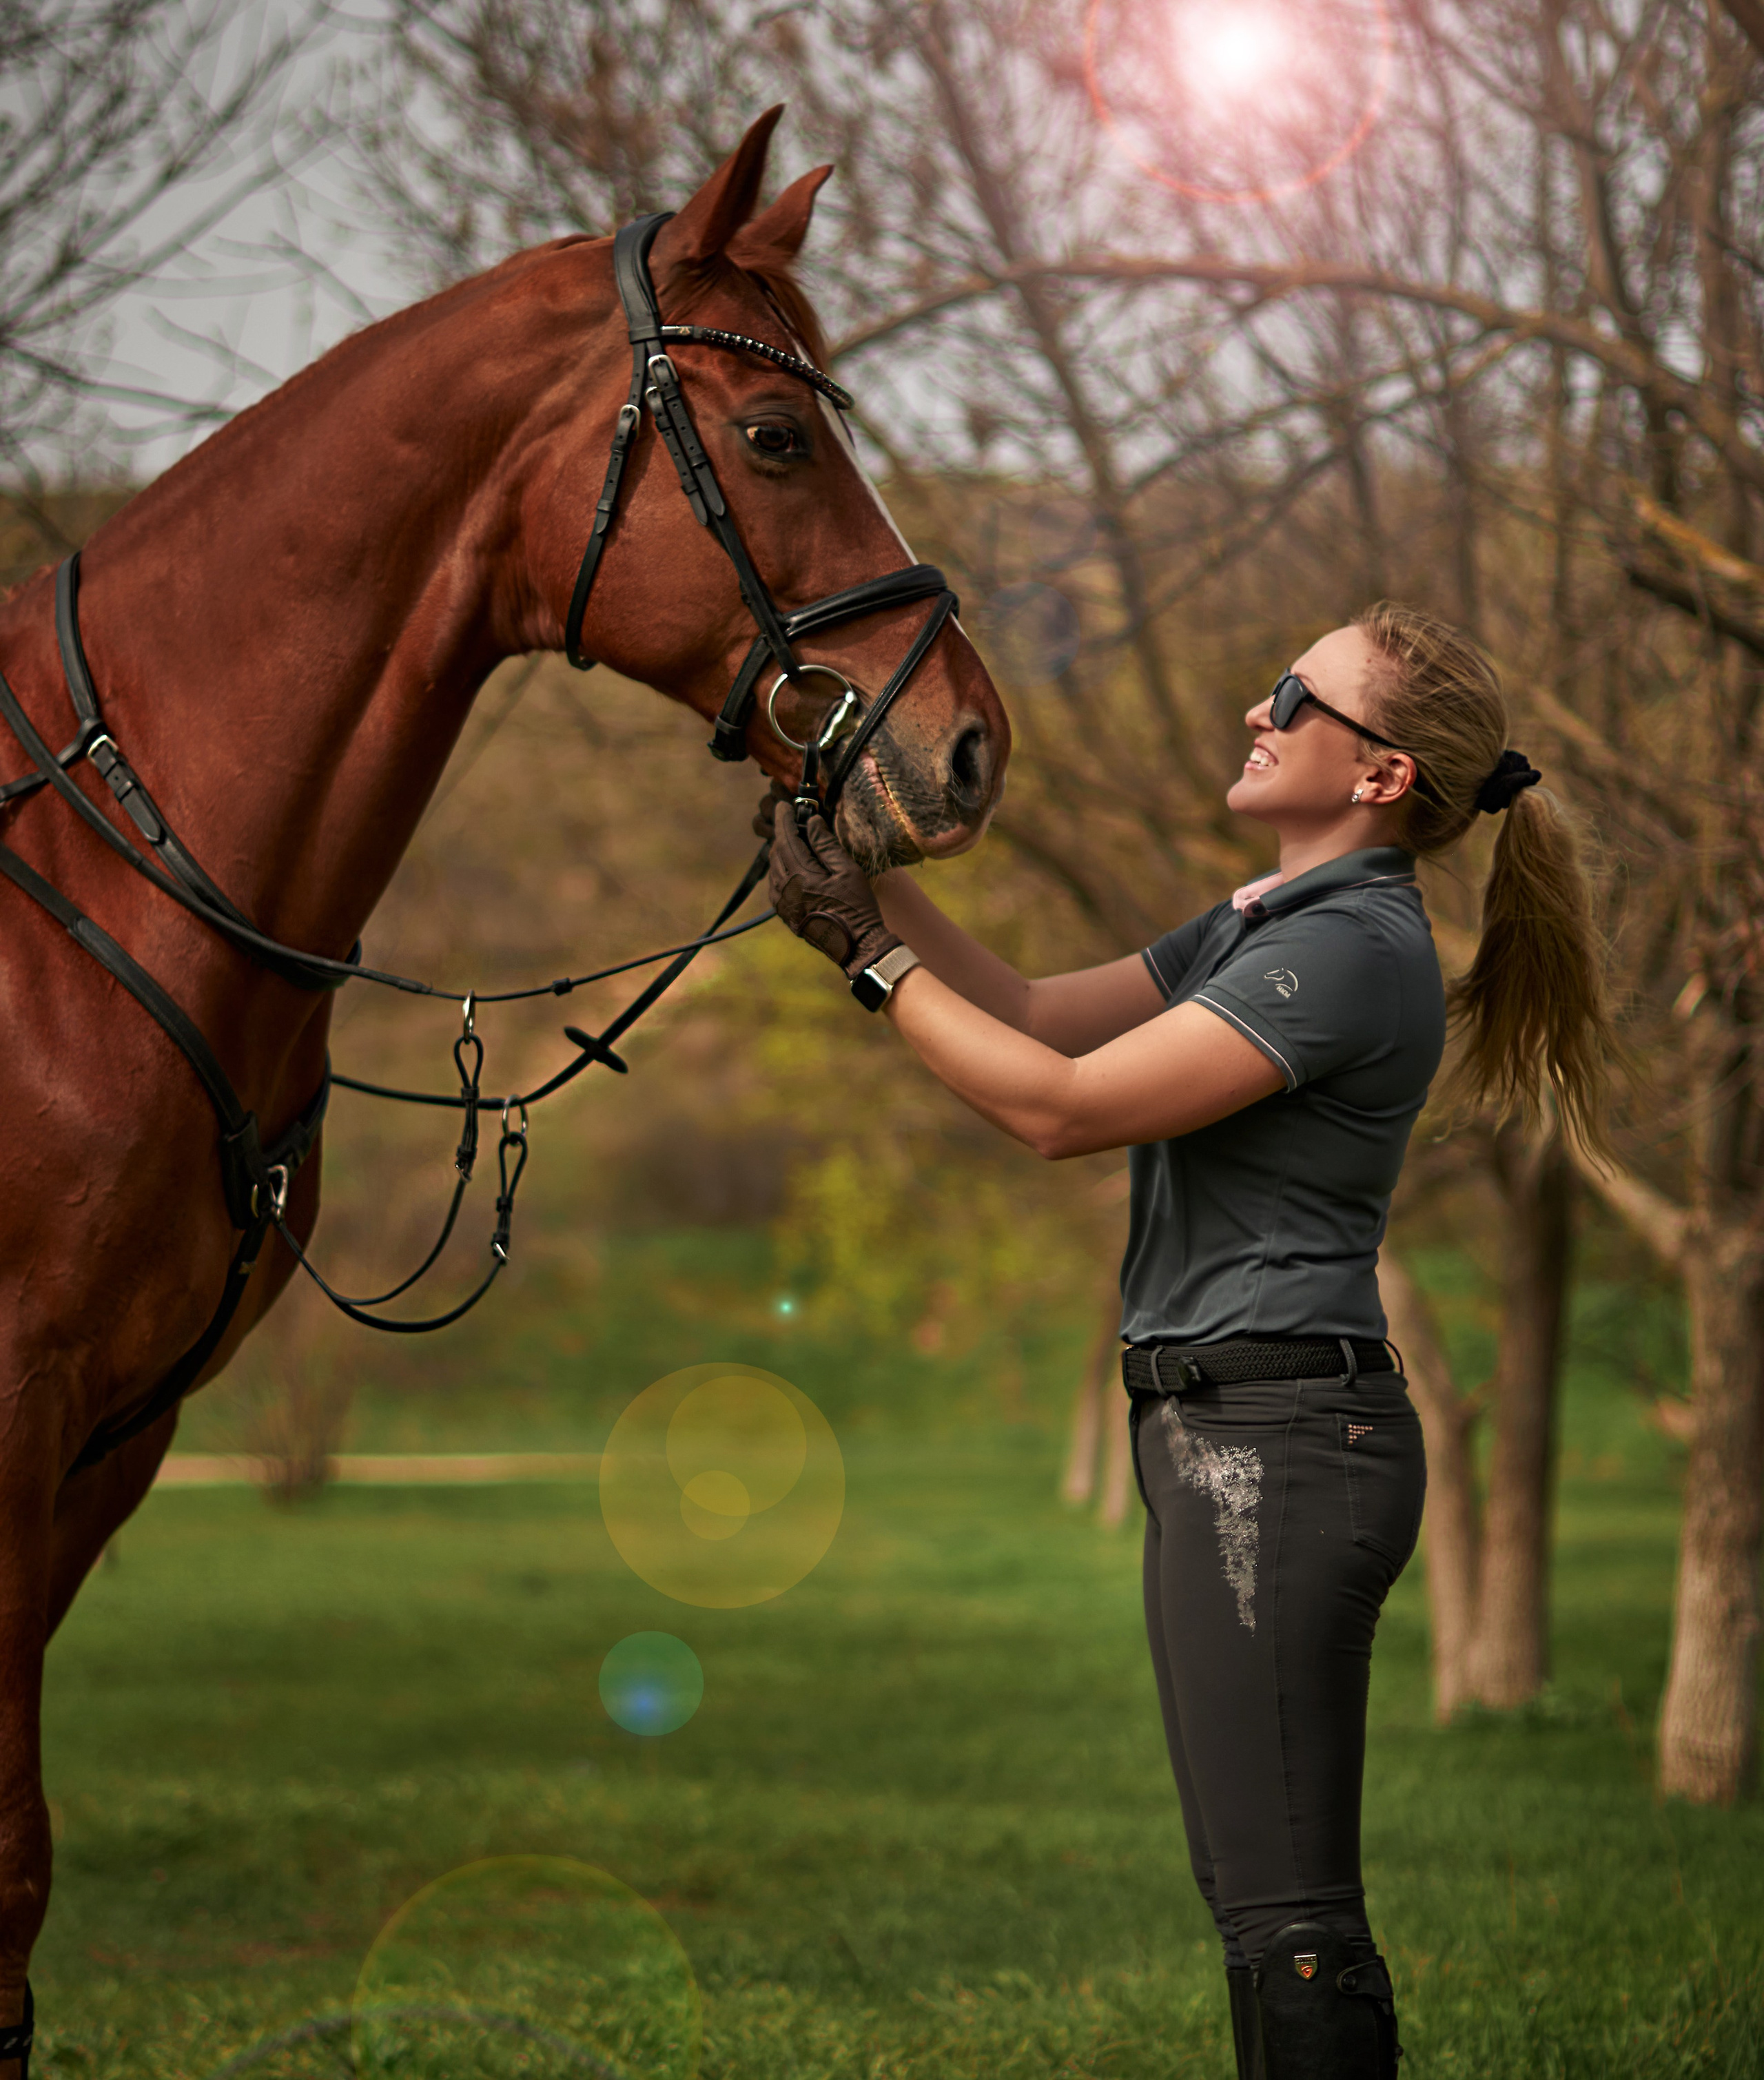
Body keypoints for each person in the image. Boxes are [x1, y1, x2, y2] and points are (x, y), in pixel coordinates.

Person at [762, 602, 1616, 2080]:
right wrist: (858, 875)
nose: (1252, 707)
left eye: (1292, 695)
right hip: (1223, 1440)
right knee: (1248, 1904)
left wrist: (867, 962)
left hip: (1279, 1451)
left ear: (1380, 777)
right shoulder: (1256, 922)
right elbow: (1037, 1014)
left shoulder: (1350, 950)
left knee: (1288, 1917)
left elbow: (1059, 1109)